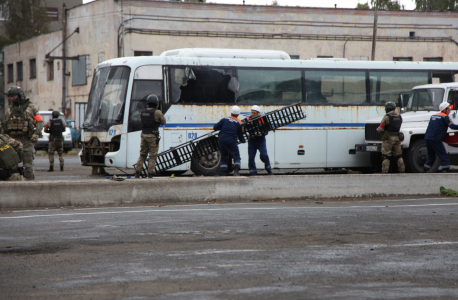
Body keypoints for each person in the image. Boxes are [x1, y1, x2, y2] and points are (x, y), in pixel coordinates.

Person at [3, 86, 43, 180]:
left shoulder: (30, 108)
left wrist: (36, 134)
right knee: (12, 167)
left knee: (28, 167)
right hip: (12, 142)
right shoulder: (9, 109)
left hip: (26, 141)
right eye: (10, 96)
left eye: (13, 96)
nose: (12, 98)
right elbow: (5, 126)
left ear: (20, 95)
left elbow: (40, 122)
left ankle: (30, 188)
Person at [134, 94, 166, 178]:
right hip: (152, 136)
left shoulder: (143, 112)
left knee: (142, 154)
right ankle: (150, 173)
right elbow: (163, 122)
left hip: (143, 135)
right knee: (152, 156)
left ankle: (137, 172)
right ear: (156, 103)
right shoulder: (157, 112)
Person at [422, 102, 458, 173]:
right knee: (443, 155)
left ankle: (424, 170)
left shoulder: (433, 116)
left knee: (431, 157)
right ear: (444, 110)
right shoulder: (445, 117)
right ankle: (445, 172)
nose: (450, 111)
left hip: (428, 138)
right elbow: (453, 126)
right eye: (449, 109)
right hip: (435, 139)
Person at [214, 106, 246, 176]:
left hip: (222, 140)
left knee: (224, 156)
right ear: (238, 114)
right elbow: (241, 136)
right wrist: (243, 140)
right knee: (236, 157)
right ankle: (236, 171)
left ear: (231, 112)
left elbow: (215, 127)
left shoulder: (224, 119)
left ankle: (223, 172)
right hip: (231, 141)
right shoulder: (240, 123)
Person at [377, 101, 405, 173]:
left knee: (386, 156)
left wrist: (378, 130)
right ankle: (402, 171)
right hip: (397, 139)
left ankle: (385, 172)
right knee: (398, 156)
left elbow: (381, 128)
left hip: (388, 139)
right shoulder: (399, 116)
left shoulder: (386, 117)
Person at [244, 105, 272, 176]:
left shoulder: (262, 119)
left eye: (254, 113)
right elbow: (243, 128)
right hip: (252, 141)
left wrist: (262, 133)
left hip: (261, 140)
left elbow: (267, 130)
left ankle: (268, 169)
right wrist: (246, 132)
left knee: (264, 155)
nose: (253, 114)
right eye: (252, 113)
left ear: (258, 113)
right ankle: (253, 173)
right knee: (251, 158)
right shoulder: (247, 119)